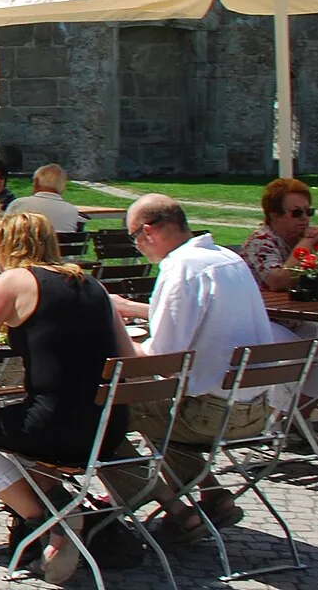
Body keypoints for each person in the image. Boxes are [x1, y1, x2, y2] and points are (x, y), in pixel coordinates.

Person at [0, 211, 138, 585]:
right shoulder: (92, 284)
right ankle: (62, 514)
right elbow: (128, 358)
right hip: (107, 428)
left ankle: (49, 520)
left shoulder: (15, 280)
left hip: (51, 426)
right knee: (20, 442)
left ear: (7, 247)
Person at [109, 194, 277, 543]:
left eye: (133, 238)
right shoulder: (226, 258)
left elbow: (163, 357)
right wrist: (129, 307)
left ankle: (171, 508)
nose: (137, 247)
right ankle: (214, 494)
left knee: (105, 412)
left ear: (149, 231)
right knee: (157, 405)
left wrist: (112, 336)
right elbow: (203, 315)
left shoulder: (179, 269)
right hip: (257, 410)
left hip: (208, 415)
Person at [239, 177, 318, 291]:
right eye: (297, 213)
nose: (305, 218)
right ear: (275, 215)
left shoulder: (302, 237)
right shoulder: (260, 242)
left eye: (308, 211)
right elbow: (279, 283)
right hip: (265, 307)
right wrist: (305, 245)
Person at [4, 164, 83, 235]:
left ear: (36, 182)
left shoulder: (19, 204)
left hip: (26, 250)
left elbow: (3, 232)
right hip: (62, 251)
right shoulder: (72, 211)